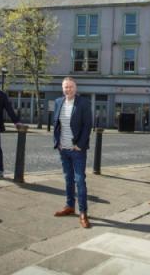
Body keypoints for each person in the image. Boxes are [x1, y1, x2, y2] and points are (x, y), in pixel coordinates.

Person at [53, 77, 92, 228]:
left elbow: (87, 125)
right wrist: (57, 143)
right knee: (68, 179)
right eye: (65, 87)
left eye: (70, 87)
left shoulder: (83, 103)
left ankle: (83, 212)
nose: (67, 89)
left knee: (80, 180)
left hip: (77, 150)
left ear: (75, 88)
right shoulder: (58, 102)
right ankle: (69, 206)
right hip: (64, 150)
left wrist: (79, 145)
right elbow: (56, 123)